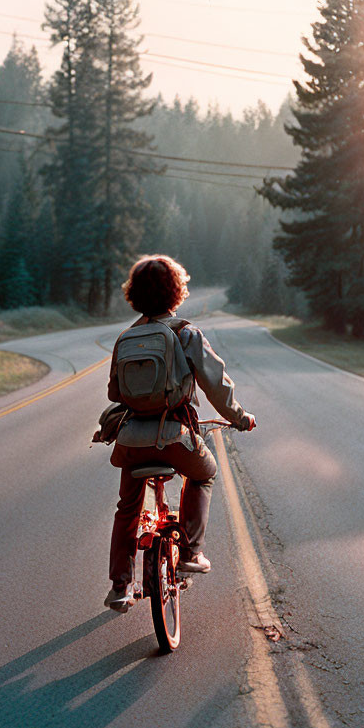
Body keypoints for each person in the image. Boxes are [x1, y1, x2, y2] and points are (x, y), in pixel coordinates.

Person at [104, 255, 256, 614]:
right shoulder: (185, 333)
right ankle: (191, 552)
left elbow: (114, 393)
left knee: (126, 508)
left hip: (131, 441)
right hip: (174, 437)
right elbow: (216, 385)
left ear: (134, 295)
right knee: (205, 473)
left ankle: (119, 587)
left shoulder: (126, 338)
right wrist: (240, 417)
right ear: (176, 291)